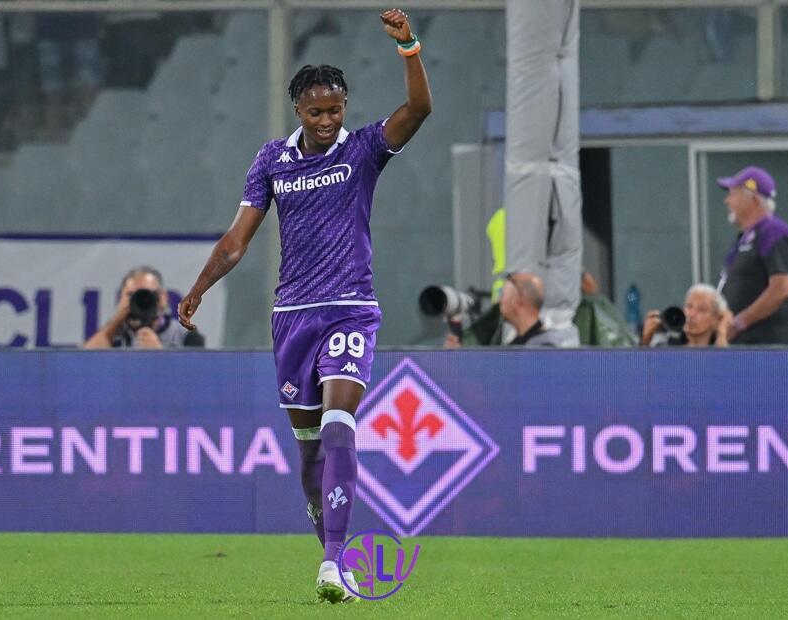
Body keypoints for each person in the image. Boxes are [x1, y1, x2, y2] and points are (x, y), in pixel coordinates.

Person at [176, 9, 430, 604]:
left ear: (345, 106)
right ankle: (331, 558)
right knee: (310, 447)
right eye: (315, 111)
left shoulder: (365, 148)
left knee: (342, 426)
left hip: (349, 308)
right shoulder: (272, 160)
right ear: (297, 110)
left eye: (334, 109)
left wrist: (409, 48)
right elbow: (238, 239)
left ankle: (334, 562)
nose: (325, 120)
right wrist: (199, 287)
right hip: (292, 317)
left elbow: (417, 111)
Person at [717, 166, 788, 344]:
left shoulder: (773, 231)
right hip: (744, 346)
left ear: (752, 199)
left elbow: (781, 288)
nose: (727, 201)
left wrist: (738, 323)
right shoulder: (745, 238)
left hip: (767, 348)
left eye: (733, 193)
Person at [445, 272, 579, 348]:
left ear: (518, 301)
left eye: (503, 295)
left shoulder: (544, 348)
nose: (499, 302)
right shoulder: (519, 344)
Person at [83, 266, 202, 349]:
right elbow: (84, 363)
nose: (140, 300)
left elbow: (195, 379)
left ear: (163, 298)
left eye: (146, 294)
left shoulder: (186, 337)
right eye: (131, 295)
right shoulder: (114, 334)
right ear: (121, 298)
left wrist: (161, 356)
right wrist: (114, 324)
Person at [640, 284, 732, 347]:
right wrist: (646, 340)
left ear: (716, 319)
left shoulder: (730, 351)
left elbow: (724, 366)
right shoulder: (666, 346)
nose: (691, 314)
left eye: (702, 309)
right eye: (689, 306)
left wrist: (722, 332)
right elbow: (641, 371)